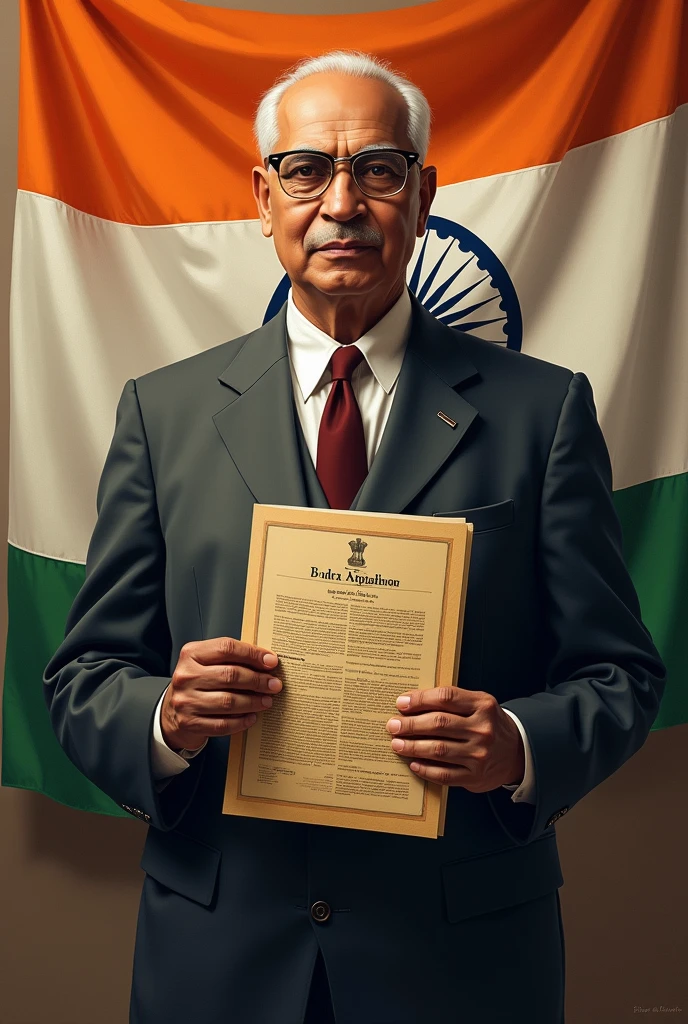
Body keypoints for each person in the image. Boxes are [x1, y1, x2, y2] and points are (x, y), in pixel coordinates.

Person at [43, 50, 666, 1024]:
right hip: (219, 956)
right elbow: (81, 680)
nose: (341, 202)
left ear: (422, 197)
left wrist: (512, 743)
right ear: (262, 198)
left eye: (377, 169)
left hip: (458, 963)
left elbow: (619, 673)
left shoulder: (542, 411)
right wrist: (169, 718)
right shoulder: (160, 415)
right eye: (305, 170)